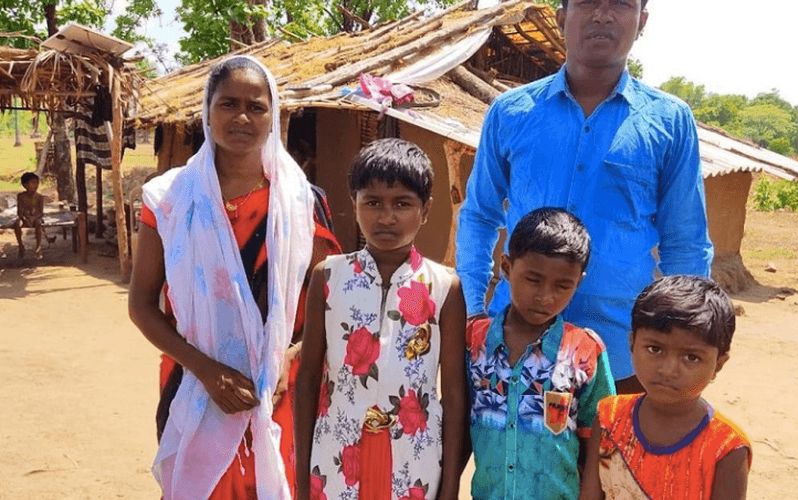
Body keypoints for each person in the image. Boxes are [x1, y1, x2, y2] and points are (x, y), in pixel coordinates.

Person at [456, 0, 713, 394]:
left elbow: (686, 244)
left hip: (623, 358)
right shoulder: (510, 112)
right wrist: (473, 310)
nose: (603, 15)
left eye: (620, 4)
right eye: (588, 2)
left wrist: (684, 345)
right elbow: (479, 215)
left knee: (610, 440)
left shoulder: (670, 121)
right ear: (562, 18)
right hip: (510, 352)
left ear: (642, 21)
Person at [129, 55, 339, 500]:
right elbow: (142, 305)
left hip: (279, 391)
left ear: (272, 116)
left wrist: (289, 360)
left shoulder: (300, 203)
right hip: (192, 383)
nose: (242, 117)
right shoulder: (169, 200)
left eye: (256, 107)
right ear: (207, 111)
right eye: (228, 104)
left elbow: (332, 301)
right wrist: (207, 371)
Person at [294, 138, 468, 500]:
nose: (386, 217)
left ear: (425, 209)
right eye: (372, 202)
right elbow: (308, 378)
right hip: (336, 458)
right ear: (354, 204)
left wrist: (450, 488)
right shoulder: (328, 277)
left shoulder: (444, 287)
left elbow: (453, 395)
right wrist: (302, 479)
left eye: (402, 204)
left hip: (414, 462)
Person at [466, 207, 615, 500]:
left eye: (562, 286)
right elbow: (459, 424)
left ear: (578, 282)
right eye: (533, 279)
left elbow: (600, 443)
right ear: (507, 268)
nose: (546, 296)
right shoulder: (474, 343)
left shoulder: (585, 351)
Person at [579, 275, 751, 500]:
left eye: (691, 357)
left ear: (718, 365)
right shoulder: (609, 418)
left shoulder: (726, 447)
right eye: (655, 349)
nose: (668, 370)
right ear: (632, 344)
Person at [13, 172, 45, 258]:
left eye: (37, 183)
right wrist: (24, 218)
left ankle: (38, 246)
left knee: (38, 223)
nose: (36, 185)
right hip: (25, 219)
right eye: (33, 183)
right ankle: (20, 246)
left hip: (36, 218)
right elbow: (20, 211)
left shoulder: (39, 197)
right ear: (25, 185)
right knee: (17, 224)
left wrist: (33, 218)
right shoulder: (21, 196)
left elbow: (41, 212)